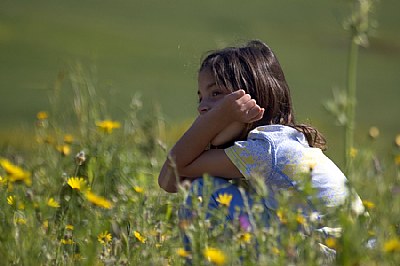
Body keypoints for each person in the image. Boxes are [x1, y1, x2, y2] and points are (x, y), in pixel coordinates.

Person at [158, 39, 364, 241]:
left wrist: (217, 117)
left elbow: (176, 166)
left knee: (203, 192)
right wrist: (219, 115)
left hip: (331, 255)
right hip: (334, 250)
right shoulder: (272, 144)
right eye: (200, 97)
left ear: (253, 98)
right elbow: (169, 179)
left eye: (216, 93)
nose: (202, 107)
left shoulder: (265, 149)